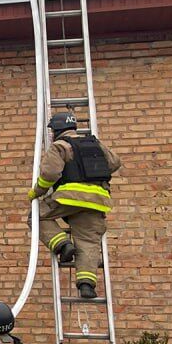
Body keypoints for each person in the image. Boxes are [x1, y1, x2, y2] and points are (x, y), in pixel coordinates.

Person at [29, 112, 122, 299]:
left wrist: (36, 192)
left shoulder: (60, 146)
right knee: (88, 241)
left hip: (69, 198)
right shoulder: (95, 144)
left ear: (56, 131)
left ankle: (62, 245)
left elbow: (50, 174)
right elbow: (114, 163)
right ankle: (86, 285)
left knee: (36, 216)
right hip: (98, 201)